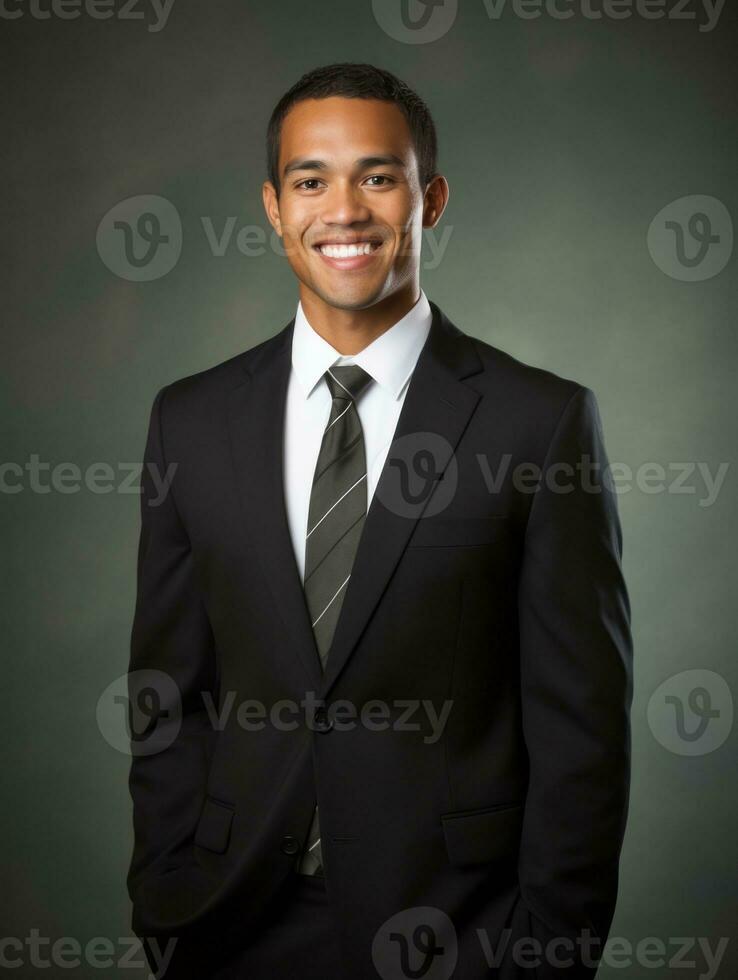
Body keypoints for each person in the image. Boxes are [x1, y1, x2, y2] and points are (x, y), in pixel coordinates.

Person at [126, 62, 633, 980]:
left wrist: (544, 955)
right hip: (232, 925)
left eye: (379, 175)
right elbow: (169, 686)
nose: (345, 210)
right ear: (275, 208)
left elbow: (583, 732)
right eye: (311, 180)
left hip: (461, 932)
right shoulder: (190, 421)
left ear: (429, 199)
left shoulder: (538, 421)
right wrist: (167, 892)